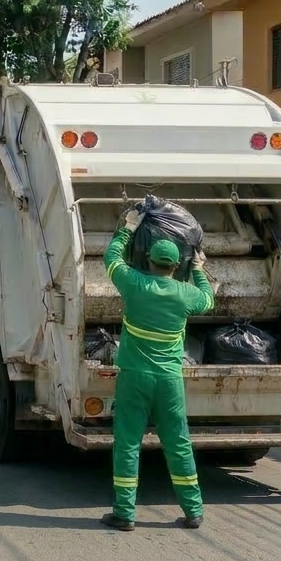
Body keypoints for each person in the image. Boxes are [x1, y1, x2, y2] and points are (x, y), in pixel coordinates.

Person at [100, 206, 215, 532]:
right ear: (175, 266)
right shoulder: (186, 295)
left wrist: (127, 228)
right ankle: (193, 511)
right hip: (169, 381)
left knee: (127, 444)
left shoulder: (134, 284)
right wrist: (198, 268)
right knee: (178, 443)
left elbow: (111, 259)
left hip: (134, 377)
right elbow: (208, 299)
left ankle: (125, 514)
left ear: (147, 260)